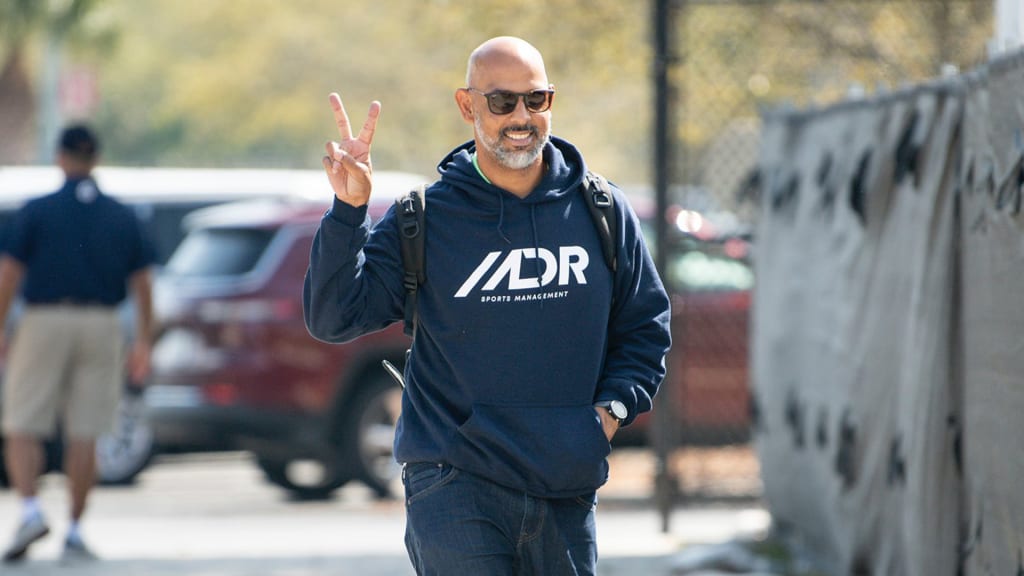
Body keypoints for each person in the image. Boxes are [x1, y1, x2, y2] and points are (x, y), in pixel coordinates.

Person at [304, 36, 671, 575]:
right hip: (454, 480)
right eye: (502, 102)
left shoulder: (602, 210)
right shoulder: (425, 218)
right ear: (467, 105)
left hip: (564, 480)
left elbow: (645, 327)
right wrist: (348, 211)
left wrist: (609, 415)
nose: (521, 117)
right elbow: (333, 317)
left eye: (536, 99)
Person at [0, 124, 155, 563]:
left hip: (44, 320)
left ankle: (30, 509)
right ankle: (75, 528)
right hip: (103, 324)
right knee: (86, 431)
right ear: (96, 158)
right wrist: (143, 338)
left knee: (22, 422)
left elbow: (8, 273)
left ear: (60, 157)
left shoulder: (38, 210)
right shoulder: (122, 214)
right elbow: (143, 282)